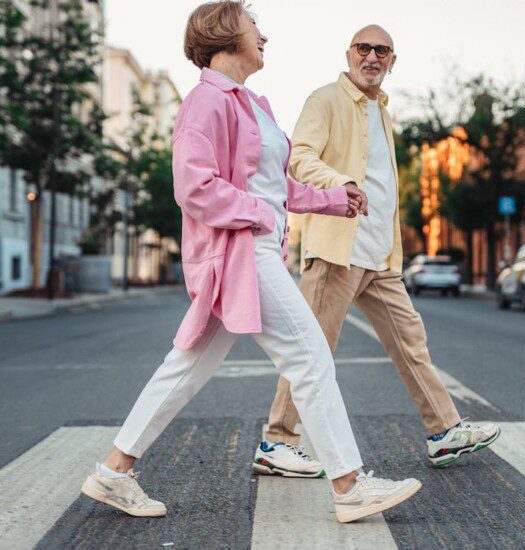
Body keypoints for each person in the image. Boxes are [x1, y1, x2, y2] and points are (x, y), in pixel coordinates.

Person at [80, 1, 422, 524]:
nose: (264, 35)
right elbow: (193, 186)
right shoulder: (205, 101)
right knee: (310, 358)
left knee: (187, 368)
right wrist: (258, 214)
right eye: (254, 24)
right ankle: (350, 486)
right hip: (241, 250)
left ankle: (112, 471)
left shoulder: (250, 104)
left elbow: (274, 184)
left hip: (253, 246)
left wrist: (334, 198)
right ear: (224, 34)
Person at [254, 24, 500, 478]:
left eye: (381, 51)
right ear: (348, 55)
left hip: (380, 255)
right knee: (313, 350)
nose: (372, 57)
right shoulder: (325, 99)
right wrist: (338, 182)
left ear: (392, 60)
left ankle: (444, 431)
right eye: (363, 48)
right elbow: (299, 157)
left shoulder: (382, 111)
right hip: (337, 251)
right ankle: (277, 441)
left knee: (411, 343)